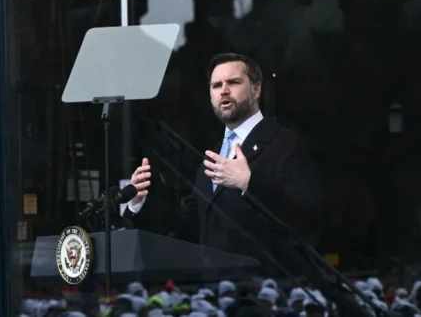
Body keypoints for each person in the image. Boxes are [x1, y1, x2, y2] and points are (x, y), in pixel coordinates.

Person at [123, 52, 323, 276]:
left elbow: (309, 211)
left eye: (234, 82)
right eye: (216, 85)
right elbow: (190, 227)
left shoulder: (284, 143)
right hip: (216, 291)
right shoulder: (213, 154)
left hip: (266, 289)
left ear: (257, 90)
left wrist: (250, 183)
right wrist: (139, 203)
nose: (224, 91)